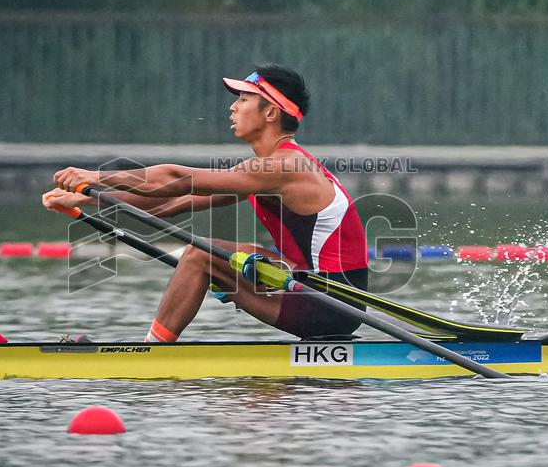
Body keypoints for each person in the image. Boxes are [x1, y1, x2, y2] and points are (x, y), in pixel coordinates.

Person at [43, 64, 369, 342]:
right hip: (310, 288)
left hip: (330, 302)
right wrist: (88, 200)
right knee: (214, 255)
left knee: (201, 254)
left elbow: (177, 177)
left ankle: (151, 352)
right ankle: (158, 344)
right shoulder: (269, 169)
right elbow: (176, 201)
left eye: (243, 99)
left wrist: (96, 177)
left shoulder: (284, 167)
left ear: (270, 112)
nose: (233, 107)